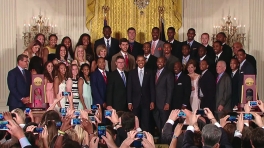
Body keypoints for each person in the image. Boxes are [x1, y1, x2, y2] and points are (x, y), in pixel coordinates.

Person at [127, 55, 155, 131]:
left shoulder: (149, 72)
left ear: (145, 61)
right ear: (136, 62)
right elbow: (129, 88)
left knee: (145, 122)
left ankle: (145, 140)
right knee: (135, 122)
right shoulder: (131, 73)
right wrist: (129, 102)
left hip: (146, 101)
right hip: (135, 102)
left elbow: (152, 88)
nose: (140, 62)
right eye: (139, 60)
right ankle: (135, 139)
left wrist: (152, 101)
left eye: (142, 60)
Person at [153, 56, 174, 133]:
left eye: (161, 62)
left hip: (163, 103)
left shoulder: (168, 73)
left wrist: (167, 103)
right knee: (157, 122)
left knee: (164, 123)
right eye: (158, 61)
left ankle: (165, 139)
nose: (159, 63)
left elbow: (170, 89)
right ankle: (160, 137)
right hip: (154, 103)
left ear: (165, 63)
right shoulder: (153, 72)